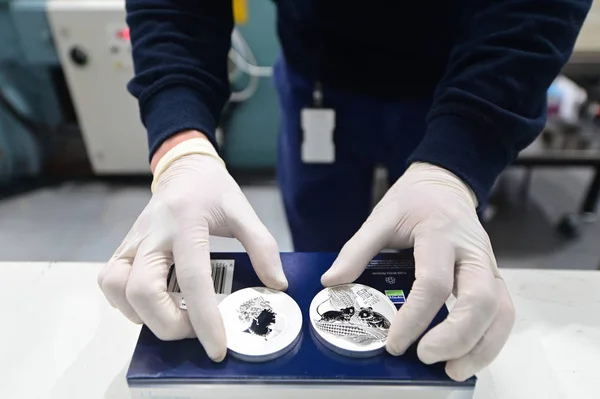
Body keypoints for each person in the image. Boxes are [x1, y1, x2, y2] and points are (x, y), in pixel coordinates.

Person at [97, 0, 591, 382]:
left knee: (435, 277)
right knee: (321, 262)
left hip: (458, 82)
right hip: (318, 80)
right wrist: (180, 148)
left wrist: (458, 163)